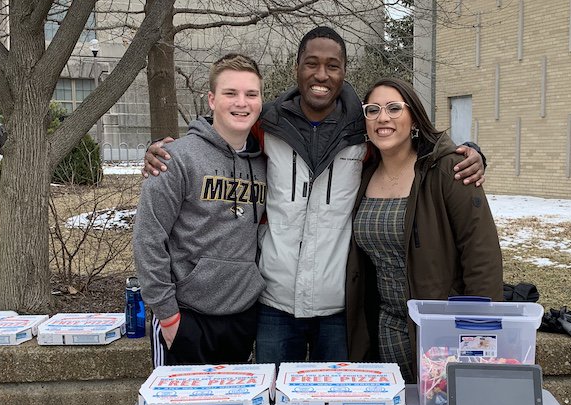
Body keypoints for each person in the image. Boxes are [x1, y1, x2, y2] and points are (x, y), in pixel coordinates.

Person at [144, 26, 486, 364]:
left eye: (332, 66)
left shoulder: (364, 131)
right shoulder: (268, 126)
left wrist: (467, 151)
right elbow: (225, 132)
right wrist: (163, 150)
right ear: (297, 68)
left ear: (343, 72)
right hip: (272, 304)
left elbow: (413, 144)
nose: (321, 74)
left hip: (338, 308)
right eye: (311, 63)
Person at [345, 77, 503, 382]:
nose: (383, 118)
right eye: (373, 109)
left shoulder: (448, 170)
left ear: (414, 117)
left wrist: (478, 339)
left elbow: (481, 255)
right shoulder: (362, 175)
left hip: (441, 332)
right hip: (383, 332)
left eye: (394, 108)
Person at [132, 53, 267, 366]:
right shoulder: (175, 159)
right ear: (211, 99)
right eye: (230, 93)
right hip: (185, 317)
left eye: (251, 94)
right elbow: (148, 240)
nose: (241, 103)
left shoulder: (264, 162)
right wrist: (168, 317)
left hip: (242, 316)